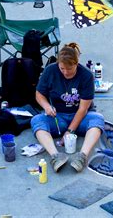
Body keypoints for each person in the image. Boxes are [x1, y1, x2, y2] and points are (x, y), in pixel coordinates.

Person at [30, 42, 104, 173]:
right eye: (62, 68)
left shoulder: (86, 76)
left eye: (69, 69)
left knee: (97, 119)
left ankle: (82, 156)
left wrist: (70, 131)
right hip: (58, 116)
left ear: (76, 63)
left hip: (81, 117)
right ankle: (55, 156)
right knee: (37, 120)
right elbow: (39, 94)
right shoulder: (50, 70)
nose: (65, 72)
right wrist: (46, 106)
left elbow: (83, 109)